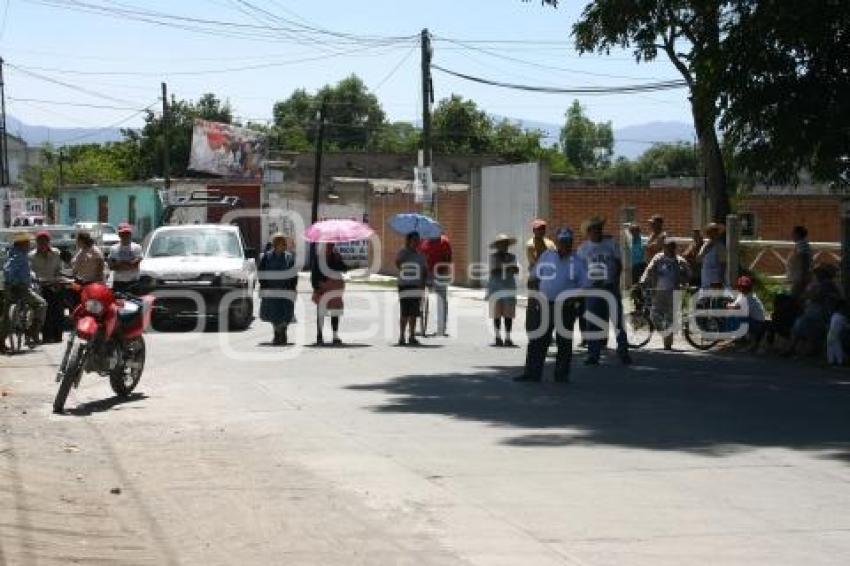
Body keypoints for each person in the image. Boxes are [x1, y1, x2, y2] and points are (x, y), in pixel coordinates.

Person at [516, 227, 585, 383]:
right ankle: (532, 373)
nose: (564, 245)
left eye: (567, 242)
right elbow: (534, 278)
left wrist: (574, 299)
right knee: (538, 339)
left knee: (564, 341)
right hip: (544, 304)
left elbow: (585, 285)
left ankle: (561, 375)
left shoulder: (578, 261)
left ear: (571, 243)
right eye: (562, 242)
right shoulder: (547, 256)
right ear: (557, 242)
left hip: (565, 307)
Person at [578, 216, 631, 365]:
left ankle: (623, 351)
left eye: (600, 228)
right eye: (595, 229)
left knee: (617, 321)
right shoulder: (583, 249)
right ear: (589, 232)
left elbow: (618, 264)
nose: (598, 231)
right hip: (592, 289)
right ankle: (593, 354)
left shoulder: (611, 244)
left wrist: (614, 280)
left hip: (610, 287)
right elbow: (580, 270)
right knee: (593, 322)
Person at [640, 239, 690, 350]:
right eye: (666, 248)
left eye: (671, 248)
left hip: (674, 292)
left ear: (674, 249)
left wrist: (683, 277)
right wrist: (643, 280)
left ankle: (668, 344)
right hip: (659, 292)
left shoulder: (680, 261)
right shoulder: (658, 258)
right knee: (654, 315)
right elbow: (649, 269)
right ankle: (665, 333)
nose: (668, 250)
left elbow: (688, 274)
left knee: (670, 318)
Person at [1, 233, 47, 349]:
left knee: (6, 316)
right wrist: (14, 282)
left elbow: (19, 271)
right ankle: (32, 331)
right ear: (22, 244)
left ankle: (1, 340)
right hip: (20, 288)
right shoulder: (19, 255)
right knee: (41, 304)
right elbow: (8, 270)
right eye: (27, 243)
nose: (29, 245)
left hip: (9, 287)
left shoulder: (13, 253)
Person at [786, 264, 842, 356]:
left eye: (819, 273)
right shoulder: (820, 284)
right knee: (800, 322)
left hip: (823, 314)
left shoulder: (827, 284)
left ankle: (795, 348)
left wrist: (809, 295)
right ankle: (794, 347)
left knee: (801, 323)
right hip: (817, 313)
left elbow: (816, 297)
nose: (816, 276)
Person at [258, 233, 298, 345]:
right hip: (271, 290)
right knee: (273, 314)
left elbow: (293, 274)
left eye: (284, 244)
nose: (283, 246)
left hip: (285, 290)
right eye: (280, 244)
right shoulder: (267, 257)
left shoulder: (289, 257)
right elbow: (261, 272)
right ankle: (277, 335)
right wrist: (264, 286)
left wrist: (293, 288)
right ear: (275, 245)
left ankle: (283, 333)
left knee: (286, 314)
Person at [29, 230, 64, 343]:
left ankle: (57, 335)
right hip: (39, 285)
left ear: (49, 242)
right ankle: (46, 336)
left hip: (53, 283)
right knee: (45, 310)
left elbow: (59, 269)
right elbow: (30, 272)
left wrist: (58, 281)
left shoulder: (56, 253)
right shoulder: (31, 255)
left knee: (58, 309)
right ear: (37, 242)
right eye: (40, 241)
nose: (43, 243)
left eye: (45, 241)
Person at [311, 242, 348, 345]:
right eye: (328, 245)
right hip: (322, 287)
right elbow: (314, 273)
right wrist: (315, 287)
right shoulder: (319, 257)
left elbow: (344, 268)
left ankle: (335, 336)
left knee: (335, 312)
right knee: (321, 313)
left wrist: (340, 262)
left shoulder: (336, 256)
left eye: (331, 245)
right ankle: (319, 335)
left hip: (335, 288)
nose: (330, 247)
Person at [486, 234, 519, 347]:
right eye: (501, 244)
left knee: (508, 315)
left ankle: (508, 337)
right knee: (496, 314)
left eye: (505, 244)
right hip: (495, 289)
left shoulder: (512, 256)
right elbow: (494, 271)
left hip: (509, 288)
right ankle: (498, 336)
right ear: (497, 246)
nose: (503, 246)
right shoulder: (493, 257)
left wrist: (509, 267)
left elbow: (516, 270)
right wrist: (507, 267)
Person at [396, 231, 427, 346]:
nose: (416, 242)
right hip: (404, 285)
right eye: (414, 240)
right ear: (408, 241)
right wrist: (405, 256)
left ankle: (412, 336)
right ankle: (401, 336)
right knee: (404, 312)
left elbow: (424, 271)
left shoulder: (421, 255)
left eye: (418, 240)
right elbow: (398, 264)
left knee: (414, 313)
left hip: (416, 286)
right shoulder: (403, 252)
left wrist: (423, 285)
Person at [419, 233, 452, 336]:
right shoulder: (424, 240)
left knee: (442, 300)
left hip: (440, 273)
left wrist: (444, 270)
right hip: (426, 272)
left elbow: (448, 258)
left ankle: (441, 328)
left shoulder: (444, 241)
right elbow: (420, 255)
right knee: (420, 298)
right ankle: (421, 326)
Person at [728, 275, 767, 351]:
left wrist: (728, 306)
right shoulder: (742, 295)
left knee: (739, 318)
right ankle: (743, 340)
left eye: (742, 287)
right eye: (740, 286)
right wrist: (730, 305)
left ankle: (752, 343)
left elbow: (736, 307)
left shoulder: (749, 297)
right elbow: (735, 304)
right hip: (752, 320)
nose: (740, 288)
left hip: (758, 324)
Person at [108, 223, 143, 294]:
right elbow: (112, 266)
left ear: (130, 234)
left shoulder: (137, 247)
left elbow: (135, 265)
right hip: (118, 282)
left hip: (133, 282)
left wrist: (120, 263)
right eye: (123, 233)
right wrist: (128, 263)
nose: (125, 235)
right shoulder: (113, 248)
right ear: (119, 235)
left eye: (127, 233)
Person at [525, 219, 555, 290]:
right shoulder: (530, 244)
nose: (541, 231)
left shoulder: (550, 243)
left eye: (543, 229)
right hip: (536, 277)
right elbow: (534, 262)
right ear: (534, 230)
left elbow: (554, 258)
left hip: (548, 276)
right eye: (538, 229)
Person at [696, 223, 727, 289]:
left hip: (715, 281)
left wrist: (720, 281)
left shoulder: (720, 247)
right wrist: (705, 248)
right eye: (710, 232)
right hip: (705, 280)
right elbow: (698, 259)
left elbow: (723, 264)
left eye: (714, 232)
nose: (712, 234)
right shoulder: (705, 245)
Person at [788, 225, 812, 301]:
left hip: (800, 278)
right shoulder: (801, 244)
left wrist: (803, 277)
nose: (792, 235)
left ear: (798, 234)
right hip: (798, 277)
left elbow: (804, 259)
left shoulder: (802, 244)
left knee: (796, 298)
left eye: (793, 233)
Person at [826, 300, 848, 366]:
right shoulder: (842, 318)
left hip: (830, 334)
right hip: (835, 335)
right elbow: (846, 326)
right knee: (838, 349)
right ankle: (839, 361)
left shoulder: (834, 315)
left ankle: (831, 361)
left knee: (830, 348)